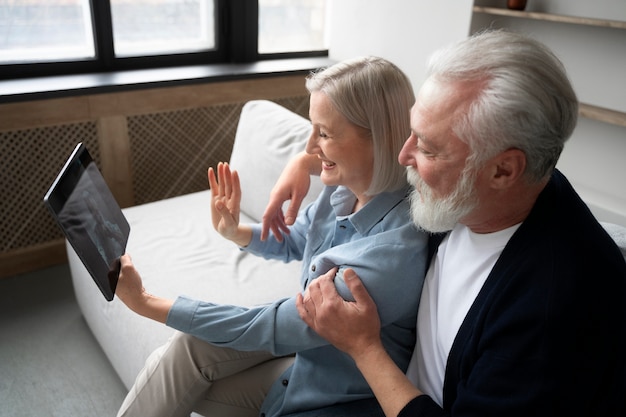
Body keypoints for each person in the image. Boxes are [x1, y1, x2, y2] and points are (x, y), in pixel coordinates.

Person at [264, 30, 626, 416]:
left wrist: (364, 348)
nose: (404, 156)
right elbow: (376, 162)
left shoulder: (556, 307)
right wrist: (305, 163)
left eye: (427, 147)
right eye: (412, 132)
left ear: (503, 170)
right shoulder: (483, 192)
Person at [114, 56, 429, 417]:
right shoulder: (342, 191)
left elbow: (271, 326)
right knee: (186, 352)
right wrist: (236, 231)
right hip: (305, 360)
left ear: (380, 137)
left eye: (323, 133)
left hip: (331, 394)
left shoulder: (391, 255)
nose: (310, 147)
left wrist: (145, 302)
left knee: (183, 372)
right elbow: (296, 239)